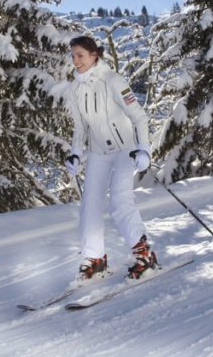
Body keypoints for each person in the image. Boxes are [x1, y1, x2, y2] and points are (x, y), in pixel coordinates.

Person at [64, 35, 157, 280]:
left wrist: (144, 149)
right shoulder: (75, 87)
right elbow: (80, 127)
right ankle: (95, 258)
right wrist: (76, 153)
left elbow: (139, 117)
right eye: (72, 56)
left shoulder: (113, 81)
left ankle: (144, 253)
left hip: (125, 149)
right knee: (90, 204)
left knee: (119, 200)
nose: (75, 61)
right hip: (98, 153)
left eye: (80, 55)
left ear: (94, 55)